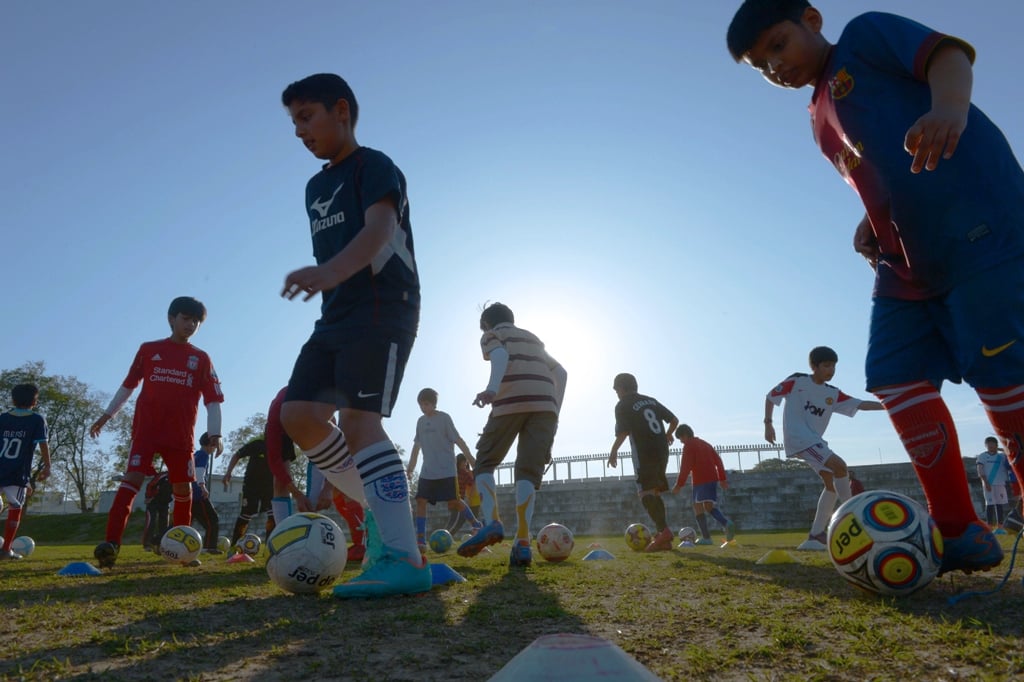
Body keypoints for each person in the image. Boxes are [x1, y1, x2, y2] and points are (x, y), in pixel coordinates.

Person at [728, 2, 1024, 574]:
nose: (774, 66)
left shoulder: (866, 37)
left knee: (1003, 377)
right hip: (906, 260)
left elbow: (950, 56)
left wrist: (949, 109)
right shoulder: (817, 117)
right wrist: (873, 222)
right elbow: (877, 171)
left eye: (778, 44)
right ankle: (960, 530)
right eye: (761, 64)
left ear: (811, 20)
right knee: (893, 373)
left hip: (978, 227)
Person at [278, 73, 427, 597]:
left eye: (306, 117)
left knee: (359, 421)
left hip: (384, 307)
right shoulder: (316, 185)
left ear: (341, 110)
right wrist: (329, 280)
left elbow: (379, 230)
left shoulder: (375, 165)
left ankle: (404, 557)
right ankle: (395, 529)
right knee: (297, 415)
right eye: (293, 122)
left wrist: (330, 271)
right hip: (335, 316)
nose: (299, 131)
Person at [89, 296, 223, 568]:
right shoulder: (148, 350)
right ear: (171, 319)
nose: (191, 324)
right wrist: (107, 415)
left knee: (183, 488)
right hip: (146, 432)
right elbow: (128, 386)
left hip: (180, 436)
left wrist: (215, 433)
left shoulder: (200, 358)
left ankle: (183, 550)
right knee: (131, 480)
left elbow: (213, 400)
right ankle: (111, 544)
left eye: (196, 321)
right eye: (186, 318)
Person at [457, 302, 567, 567]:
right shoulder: (533, 339)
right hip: (546, 407)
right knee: (527, 472)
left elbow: (499, 356)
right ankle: (523, 543)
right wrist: (554, 411)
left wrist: (492, 389)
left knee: (485, 462)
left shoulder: (493, 335)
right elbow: (561, 372)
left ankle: (493, 522)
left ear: (486, 324)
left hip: (510, 402)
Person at [763, 347, 884, 550]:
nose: (831, 370)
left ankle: (815, 536)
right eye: (827, 365)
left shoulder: (832, 393)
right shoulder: (797, 381)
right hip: (800, 439)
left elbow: (860, 404)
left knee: (831, 483)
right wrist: (768, 423)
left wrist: (888, 406)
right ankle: (854, 516)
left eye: (834, 366)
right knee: (841, 467)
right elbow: (770, 396)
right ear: (814, 366)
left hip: (813, 442)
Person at [264, 385, 367, 562]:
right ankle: (285, 544)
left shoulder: (324, 414)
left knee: (343, 485)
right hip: (288, 415)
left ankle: (362, 544)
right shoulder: (275, 422)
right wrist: (296, 494)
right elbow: (275, 463)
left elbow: (340, 457)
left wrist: (327, 488)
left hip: (313, 416)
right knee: (279, 483)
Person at [607, 373, 678, 552]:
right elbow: (674, 420)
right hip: (662, 449)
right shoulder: (651, 401)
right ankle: (664, 537)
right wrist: (668, 434)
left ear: (621, 388)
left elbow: (622, 432)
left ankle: (664, 532)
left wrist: (614, 451)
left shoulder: (622, 404)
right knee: (655, 492)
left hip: (644, 451)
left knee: (645, 492)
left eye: (616, 389)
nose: (616, 393)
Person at [406, 388, 479, 547]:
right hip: (427, 472)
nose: (423, 408)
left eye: (426, 404)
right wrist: (410, 468)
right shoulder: (420, 422)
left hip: (446, 470)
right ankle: (420, 539)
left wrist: (471, 458)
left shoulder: (444, 418)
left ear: (433, 404)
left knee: (455, 501)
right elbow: (416, 447)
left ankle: (476, 524)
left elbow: (458, 440)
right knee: (420, 501)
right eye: (420, 405)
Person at [0, 383, 51, 559]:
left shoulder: (2, 418)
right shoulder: (36, 420)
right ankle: (6, 549)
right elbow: (43, 443)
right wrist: (47, 466)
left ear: (13, 400)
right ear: (35, 402)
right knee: (15, 507)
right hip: (17, 473)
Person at [672, 424, 735, 546]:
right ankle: (726, 524)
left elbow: (685, 466)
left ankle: (707, 537)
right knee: (708, 507)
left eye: (680, 439)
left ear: (685, 435)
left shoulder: (689, 446)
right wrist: (722, 478)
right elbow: (718, 460)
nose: (681, 442)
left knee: (697, 507)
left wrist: (679, 484)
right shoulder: (705, 444)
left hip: (700, 480)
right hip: (712, 479)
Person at [222, 437, 275, 549]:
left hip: (269, 486)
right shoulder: (257, 444)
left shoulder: (280, 448)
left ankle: (269, 546)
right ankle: (235, 544)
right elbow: (237, 455)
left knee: (272, 515)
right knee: (247, 513)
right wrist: (228, 472)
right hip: (251, 485)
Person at [192, 432, 222, 553]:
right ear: (210, 444)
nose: (215, 449)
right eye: (215, 446)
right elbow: (199, 473)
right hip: (198, 495)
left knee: (184, 522)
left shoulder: (196, 455)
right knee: (212, 520)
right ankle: (209, 547)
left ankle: (158, 541)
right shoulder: (204, 455)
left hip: (189, 494)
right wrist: (202, 487)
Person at [976, 436, 1010, 529]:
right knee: (990, 504)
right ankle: (989, 526)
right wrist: (986, 482)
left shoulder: (1001, 456)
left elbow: (1009, 451)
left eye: (992, 443)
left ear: (996, 444)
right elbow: (980, 469)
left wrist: (999, 449)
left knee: (999, 504)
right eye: (988, 444)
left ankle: (1000, 526)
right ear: (985, 445)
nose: (990, 445)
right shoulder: (982, 456)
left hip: (1000, 483)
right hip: (989, 483)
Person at [451, 453, 482, 535]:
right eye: (463, 462)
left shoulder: (469, 473)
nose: (465, 464)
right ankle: (450, 534)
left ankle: (475, 537)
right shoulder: (462, 473)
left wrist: (469, 498)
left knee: (472, 521)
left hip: (474, 500)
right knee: (460, 520)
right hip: (467, 501)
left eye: (465, 462)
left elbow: (473, 486)